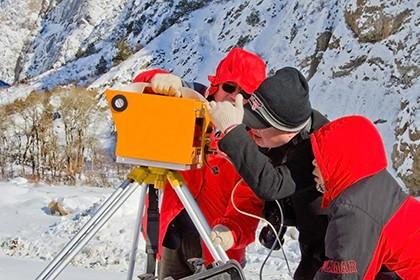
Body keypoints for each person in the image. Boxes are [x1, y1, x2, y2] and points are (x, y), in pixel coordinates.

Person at [134, 48, 266, 279]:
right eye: (229, 87)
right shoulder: (191, 107)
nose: (234, 96)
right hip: (171, 236)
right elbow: (138, 89)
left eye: (244, 93)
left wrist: (231, 231)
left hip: (216, 246)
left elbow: (250, 200)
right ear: (216, 87)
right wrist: (157, 80)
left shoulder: (253, 141)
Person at [207, 67, 329, 279]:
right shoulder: (282, 136)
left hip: (335, 250)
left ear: (288, 129)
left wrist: (231, 132)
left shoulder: (316, 149)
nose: (252, 130)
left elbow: (271, 184)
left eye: (260, 125)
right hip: (312, 243)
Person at [310, 115, 420, 279]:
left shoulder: (354, 212)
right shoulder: (373, 183)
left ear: (340, 159)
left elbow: (342, 276)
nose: (313, 163)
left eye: (321, 158)